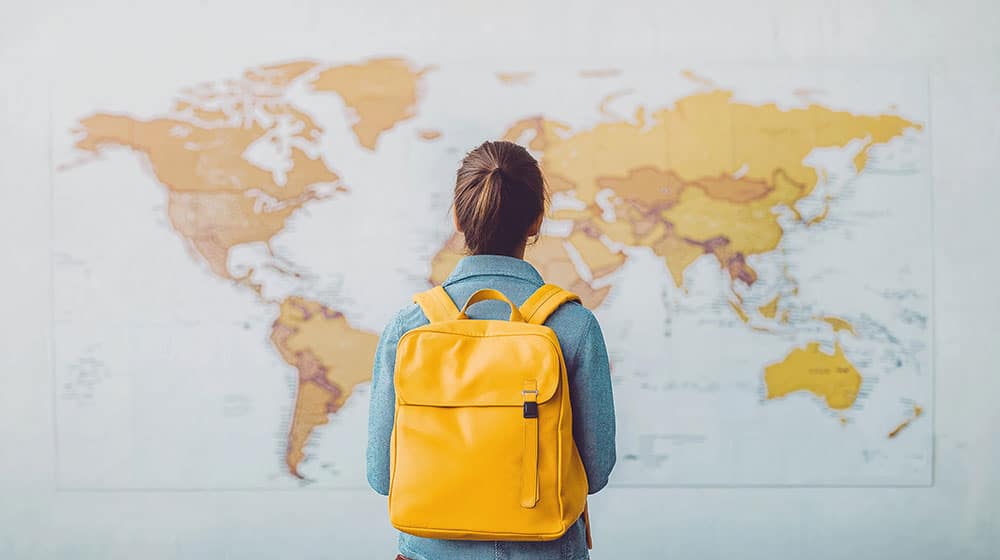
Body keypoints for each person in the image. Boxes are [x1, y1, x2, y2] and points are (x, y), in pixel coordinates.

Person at [366, 140, 617, 560]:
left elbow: (380, 475)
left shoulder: (410, 326)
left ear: (458, 218)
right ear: (536, 222)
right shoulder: (573, 326)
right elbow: (596, 472)